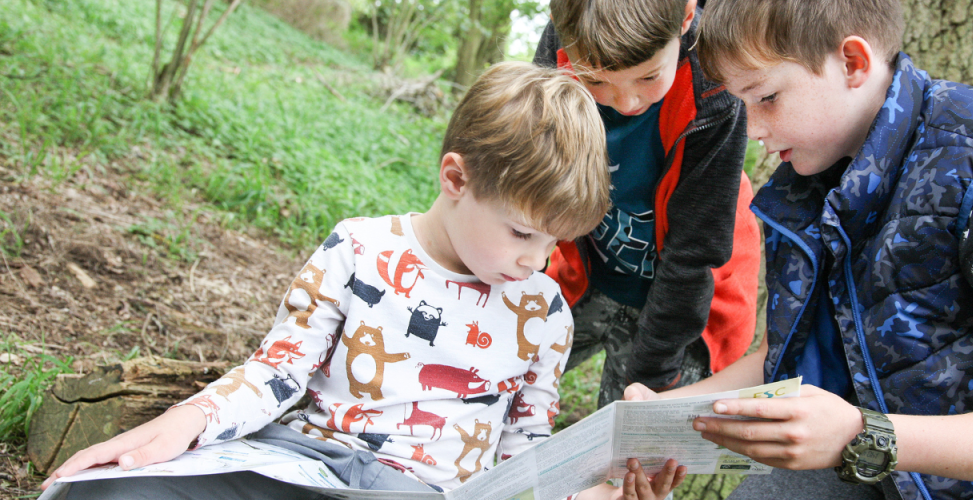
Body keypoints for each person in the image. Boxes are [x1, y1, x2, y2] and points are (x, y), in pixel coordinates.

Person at [41, 62, 686, 500]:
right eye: (522, 233)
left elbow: (527, 448)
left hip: (423, 490)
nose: (537, 262)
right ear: (455, 179)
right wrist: (186, 420)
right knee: (108, 490)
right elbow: (277, 372)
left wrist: (583, 489)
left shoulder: (543, 315)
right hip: (302, 466)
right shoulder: (359, 248)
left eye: (554, 242)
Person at [625, 0, 973, 499]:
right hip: (896, 463)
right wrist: (661, 416)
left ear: (853, 62)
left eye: (767, 97)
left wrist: (858, 433)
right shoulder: (814, 181)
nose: (751, 130)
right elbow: (784, 353)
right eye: (741, 104)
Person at [533, 0, 761, 408]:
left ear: (687, 18)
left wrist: (650, 385)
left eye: (649, 77)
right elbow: (532, 182)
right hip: (588, 272)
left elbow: (694, 254)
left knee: (626, 449)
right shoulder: (564, 41)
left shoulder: (715, 88)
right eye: (597, 81)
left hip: (685, 309)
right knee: (493, 368)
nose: (627, 102)